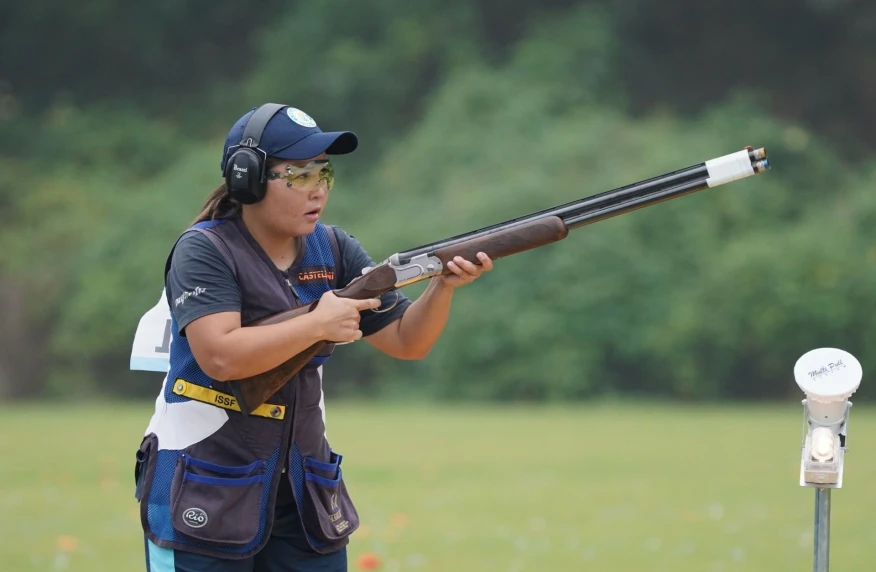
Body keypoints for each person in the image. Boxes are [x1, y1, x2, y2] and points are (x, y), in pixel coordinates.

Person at [133, 103, 493, 572]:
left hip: (304, 494)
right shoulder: (205, 250)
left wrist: (441, 287)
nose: (318, 189)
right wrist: (318, 325)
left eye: (324, 174)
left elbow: (408, 341)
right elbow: (220, 357)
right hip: (203, 487)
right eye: (299, 175)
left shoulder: (334, 246)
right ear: (248, 177)